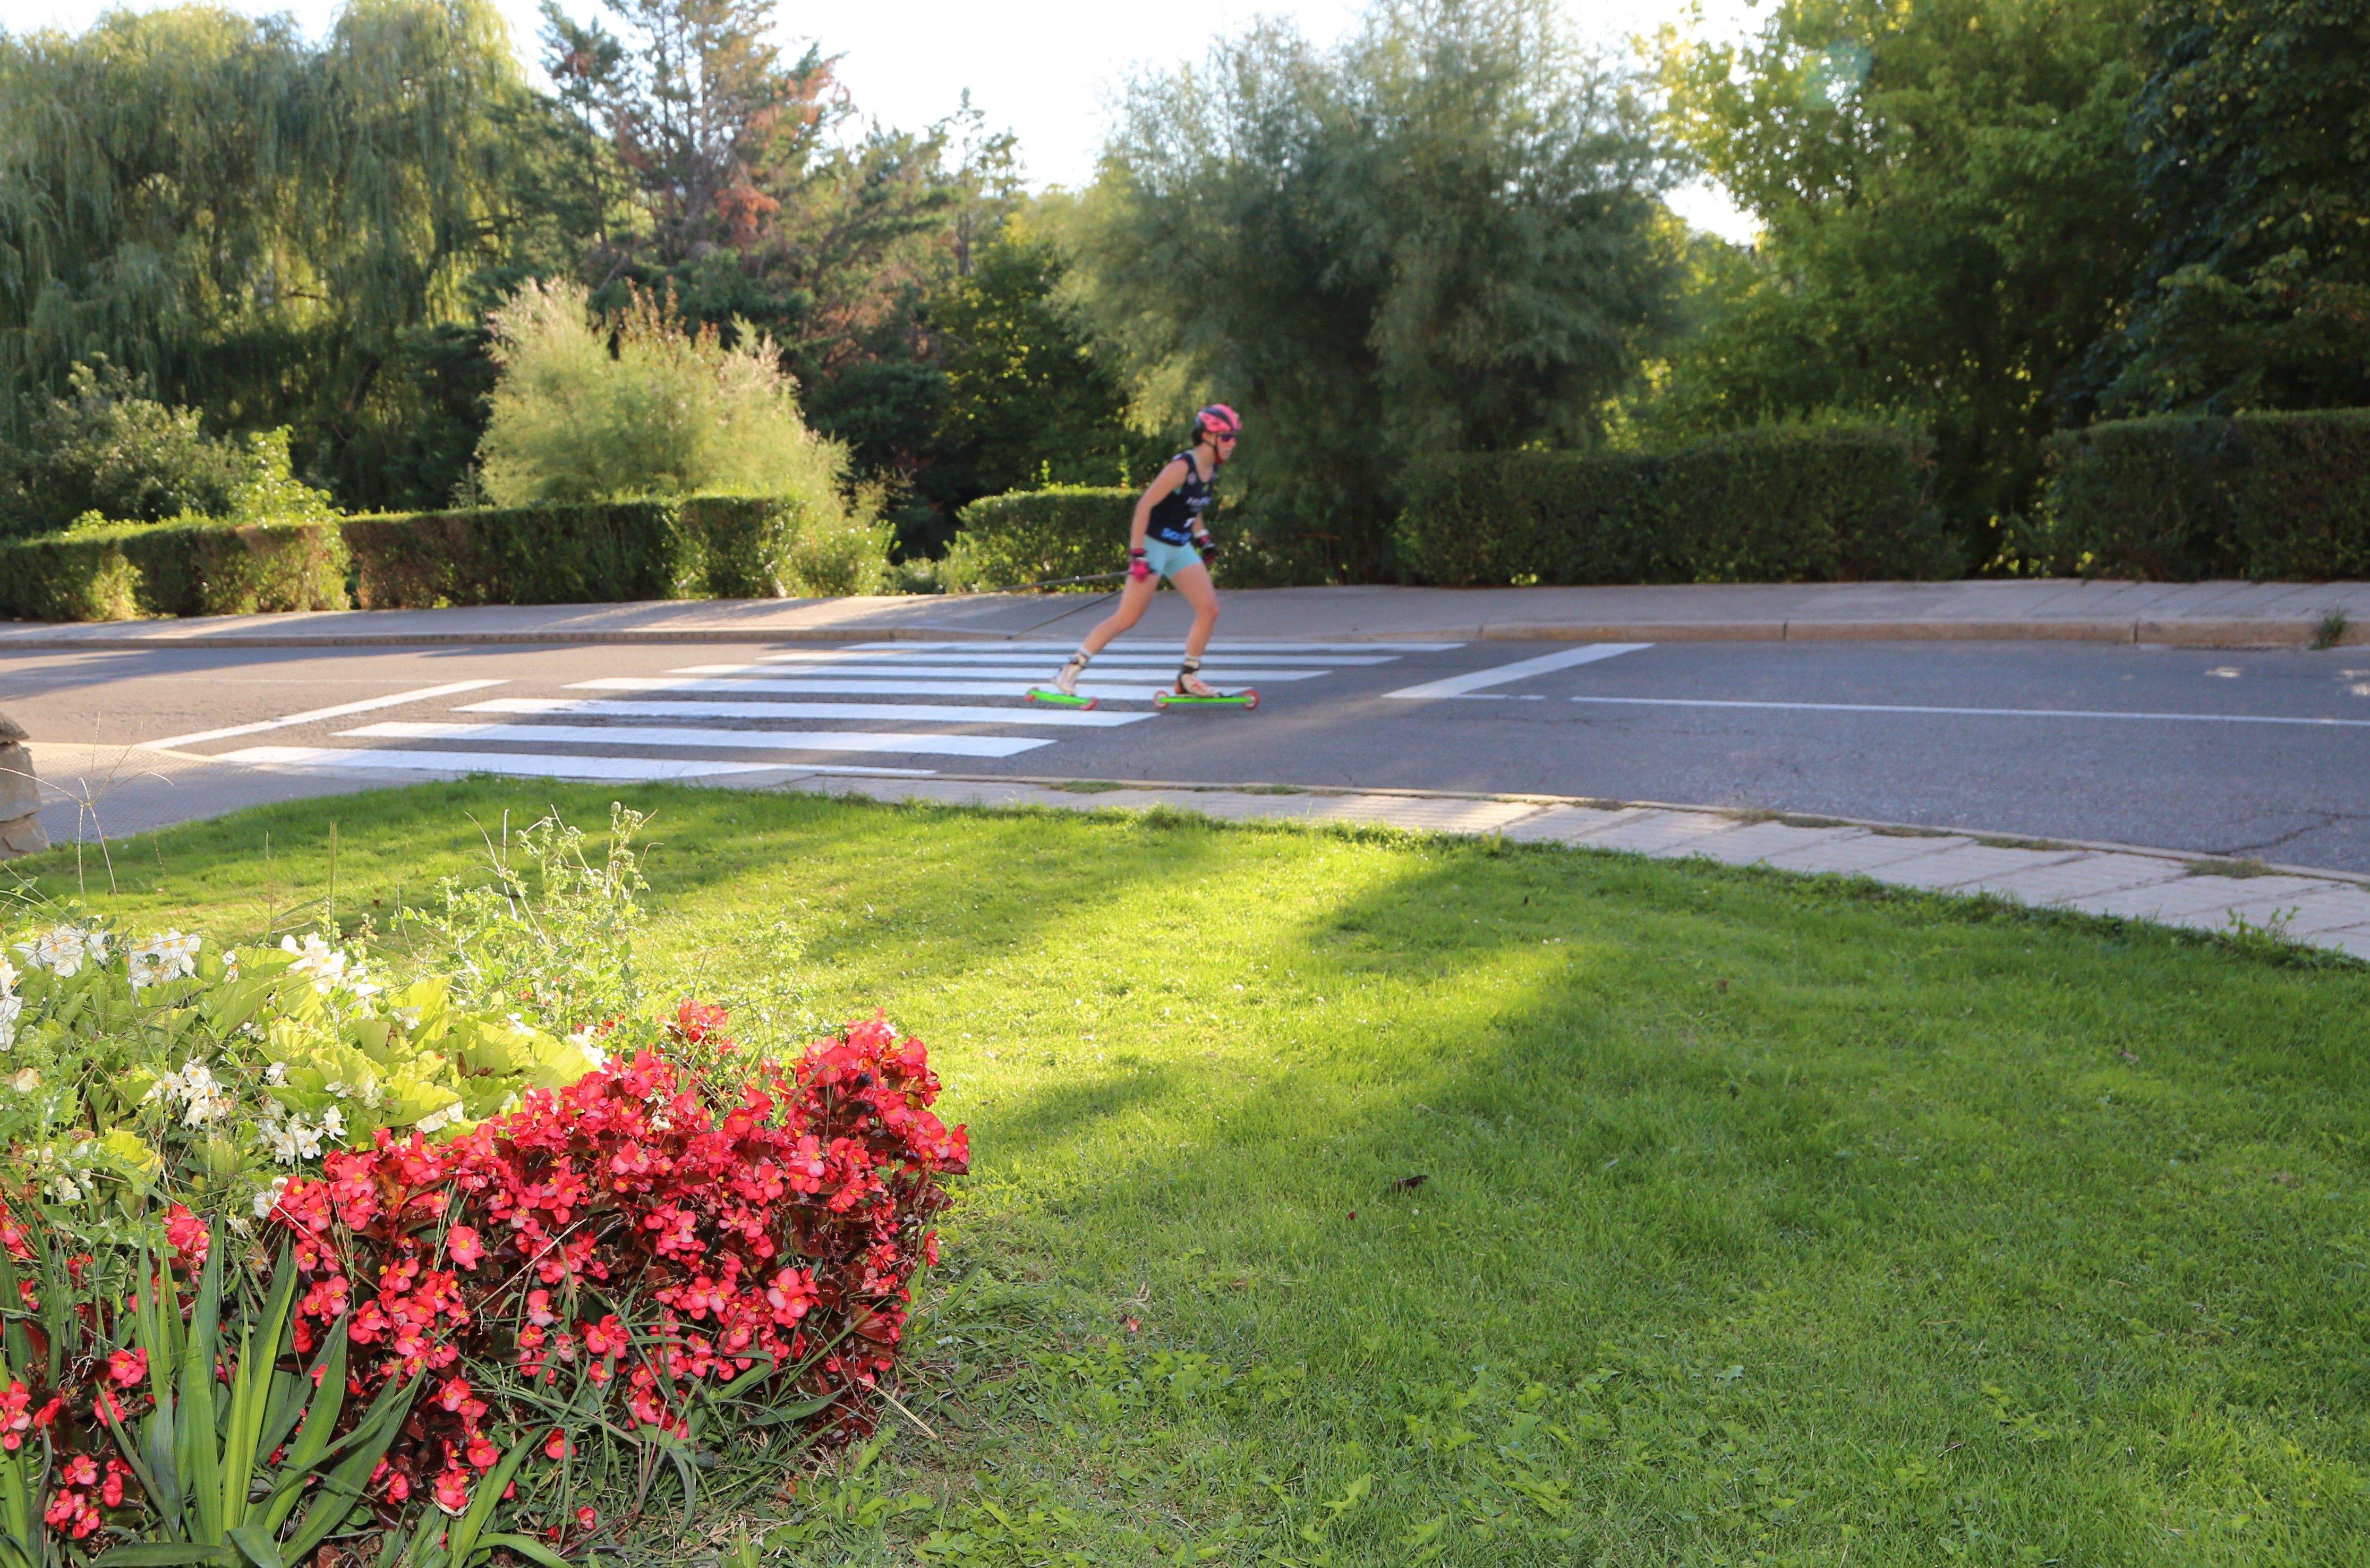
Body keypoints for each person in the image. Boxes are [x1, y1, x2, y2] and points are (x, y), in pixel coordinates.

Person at [1049, 404, 1241, 700]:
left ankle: (1188, 678)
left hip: (1180, 547)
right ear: (1207, 437)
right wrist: (1137, 553)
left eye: (1234, 438)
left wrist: (1203, 539)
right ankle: (1070, 670)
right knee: (1127, 618)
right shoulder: (1181, 468)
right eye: (1227, 437)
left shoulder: (1211, 469)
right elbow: (1144, 506)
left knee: (1209, 608)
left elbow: (1194, 507)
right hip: (1154, 546)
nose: (1233, 444)